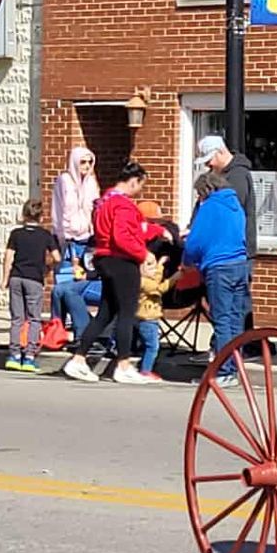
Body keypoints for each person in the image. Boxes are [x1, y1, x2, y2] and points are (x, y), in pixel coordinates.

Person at [63, 159, 150, 385]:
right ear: (134, 181)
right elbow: (123, 236)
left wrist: (156, 229)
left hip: (104, 258)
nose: (140, 191)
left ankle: (79, 358)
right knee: (126, 313)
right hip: (122, 261)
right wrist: (143, 254)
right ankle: (123, 364)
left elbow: (121, 232)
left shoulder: (104, 201)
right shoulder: (123, 205)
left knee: (106, 313)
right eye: (141, 185)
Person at [184, 170, 252, 383]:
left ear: (206, 190)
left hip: (219, 267)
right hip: (241, 264)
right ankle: (235, 366)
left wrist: (187, 260)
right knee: (235, 320)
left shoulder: (210, 206)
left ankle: (224, 371)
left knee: (222, 321)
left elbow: (196, 240)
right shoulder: (235, 205)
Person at [2, 198, 58, 373]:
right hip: (34, 278)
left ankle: (14, 355)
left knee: (16, 319)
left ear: (24, 215)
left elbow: (8, 257)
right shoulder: (45, 235)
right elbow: (57, 257)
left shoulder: (16, 234)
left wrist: (5, 279)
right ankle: (29, 356)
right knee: (34, 319)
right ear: (41, 217)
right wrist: (47, 268)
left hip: (16, 277)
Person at [193, 134, 258, 261]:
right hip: (220, 250)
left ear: (220, 152)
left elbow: (229, 213)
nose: (208, 165)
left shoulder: (238, 176)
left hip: (235, 251)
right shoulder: (215, 175)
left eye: (209, 160)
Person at [50, 146, 99, 277]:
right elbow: (58, 210)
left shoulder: (91, 182)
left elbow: (95, 208)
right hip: (67, 239)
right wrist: (62, 236)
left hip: (87, 239)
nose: (87, 166)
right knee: (66, 277)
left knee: (86, 277)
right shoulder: (64, 180)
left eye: (90, 162)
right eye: (83, 162)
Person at [134, 237, 170, 382]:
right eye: (149, 265)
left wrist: (160, 265)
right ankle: (145, 371)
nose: (153, 268)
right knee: (152, 347)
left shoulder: (147, 278)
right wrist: (175, 278)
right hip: (147, 319)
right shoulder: (143, 282)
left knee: (148, 345)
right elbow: (159, 288)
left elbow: (155, 277)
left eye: (154, 264)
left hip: (147, 318)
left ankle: (144, 368)